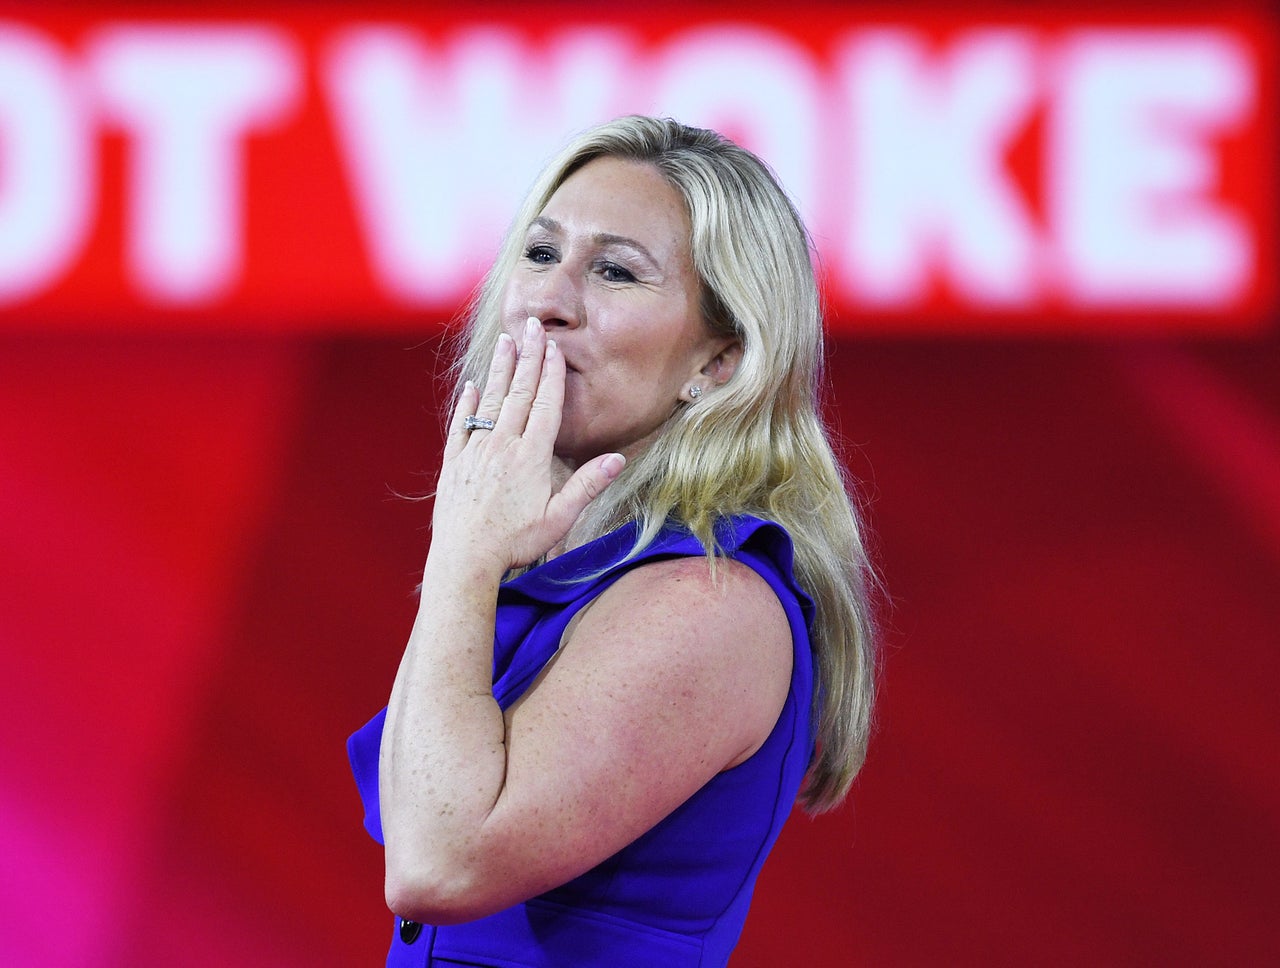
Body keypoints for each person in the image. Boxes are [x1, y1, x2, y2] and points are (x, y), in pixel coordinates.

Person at [348, 115, 878, 967]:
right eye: (539, 252)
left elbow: (438, 864)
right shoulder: (563, 571)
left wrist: (462, 553)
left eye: (615, 271)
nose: (547, 301)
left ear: (722, 363)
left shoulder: (709, 601)